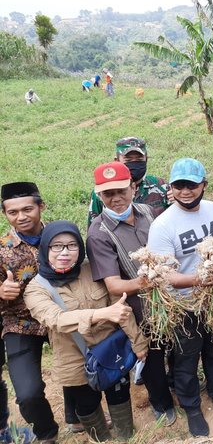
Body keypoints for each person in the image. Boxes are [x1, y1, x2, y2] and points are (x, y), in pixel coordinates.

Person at [147, 158, 213, 438]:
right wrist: (199, 279)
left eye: (192, 185)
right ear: (171, 188)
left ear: (203, 185)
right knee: (186, 359)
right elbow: (164, 276)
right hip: (185, 305)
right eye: (179, 186)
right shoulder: (163, 225)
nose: (186, 191)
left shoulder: (212, 209)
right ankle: (192, 407)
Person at [23, 221, 148, 442]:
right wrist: (102, 314)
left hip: (111, 348)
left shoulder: (93, 269)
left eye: (72, 245)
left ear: (80, 248)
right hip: (74, 357)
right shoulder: (36, 288)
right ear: (45, 250)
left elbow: (120, 307)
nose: (65, 252)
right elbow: (56, 319)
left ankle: (126, 437)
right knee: (87, 403)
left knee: (118, 393)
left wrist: (137, 342)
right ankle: (102, 439)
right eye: (56, 246)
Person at [86, 162, 176, 426]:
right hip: (140, 308)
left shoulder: (147, 212)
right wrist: (148, 281)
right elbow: (113, 285)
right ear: (99, 196)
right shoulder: (99, 233)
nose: (115, 199)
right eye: (107, 194)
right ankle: (160, 402)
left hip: (169, 298)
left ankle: (177, 383)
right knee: (152, 355)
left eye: (121, 191)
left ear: (134, 188)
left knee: (176, 346)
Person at [0, 182, 59, 443]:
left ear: (41, 206)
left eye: (27, 209)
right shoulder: (2, 249)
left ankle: (81, 416)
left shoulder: (61, 235)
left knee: (79, 374)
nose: (21, 217)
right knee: (28, 393)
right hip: (21, 323)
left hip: (61, 316)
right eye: (13, 212)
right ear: (5, 215)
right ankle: (47, 432)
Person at [87, 137, 170, 227]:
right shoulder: (103, 193)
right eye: (128, 160)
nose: (134, 163)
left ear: (146, 159)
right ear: (117, 161)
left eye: (139, 159)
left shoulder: (161, 185)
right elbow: (94, 228)